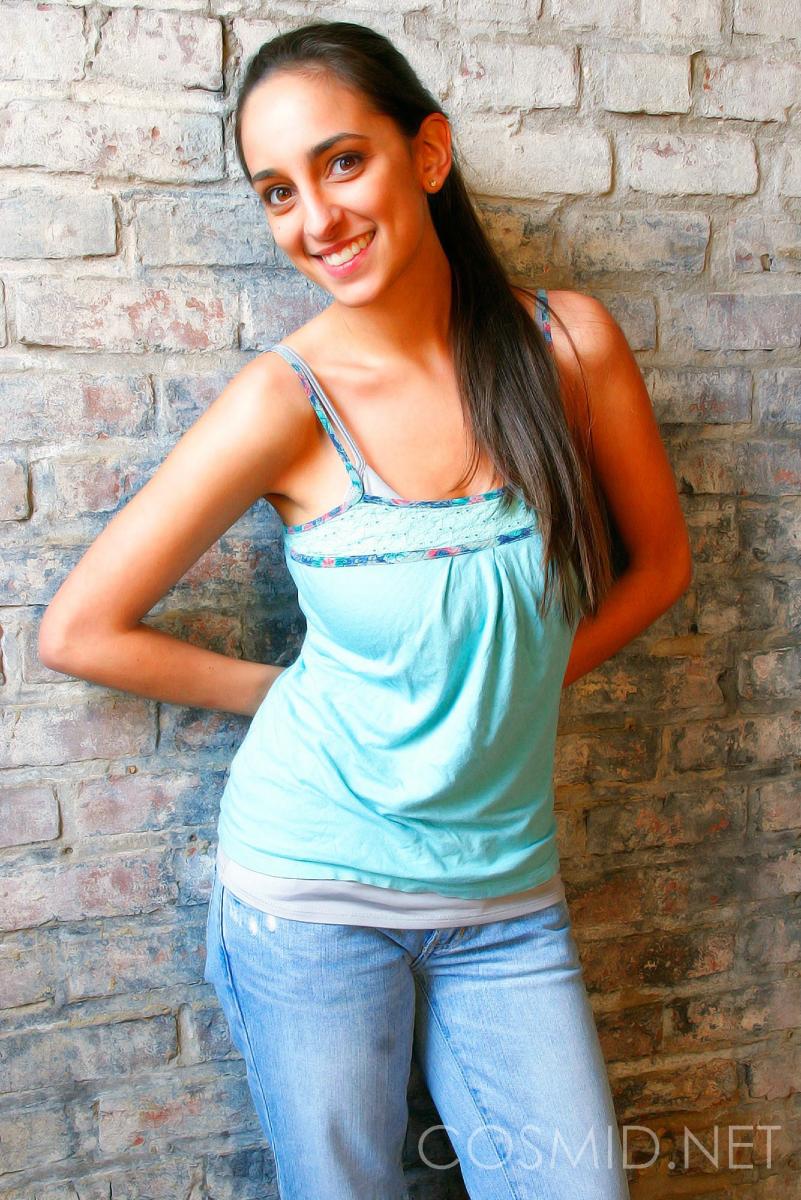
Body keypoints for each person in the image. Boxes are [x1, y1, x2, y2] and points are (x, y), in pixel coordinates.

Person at [38, 19, 692, 1200]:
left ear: (427, 154)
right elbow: (80, 630)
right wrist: (290, 693)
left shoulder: (569, 346)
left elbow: (659, 568)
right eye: (277, 191)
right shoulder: (284, 398)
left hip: (506, 902)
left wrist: (507, 689)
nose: (316, 218)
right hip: (311, 900)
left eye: (343, 162)